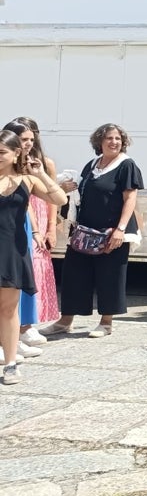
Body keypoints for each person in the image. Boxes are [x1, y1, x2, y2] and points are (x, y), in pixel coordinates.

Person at [43, 123, 143, 339]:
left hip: (112, 231)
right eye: (109, 138)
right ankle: (64, 321)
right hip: (85, 231)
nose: (114, 142)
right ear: (99, 141)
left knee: (110, 275)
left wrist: (120, 229)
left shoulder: (127, 165)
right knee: (74, 274)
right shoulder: (92, 164)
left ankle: (106, 322)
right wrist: (69, 188)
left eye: (117, 138)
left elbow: (130, 198)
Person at [0, 129, 68, 384]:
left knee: (8, 309)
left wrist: (40, 173)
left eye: (2, 152)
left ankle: (10, 363)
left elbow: (59, 197)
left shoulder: (27, 180)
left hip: (12, 250)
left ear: (17, 153)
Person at [5, 119, 61, 354]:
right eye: (23, 139)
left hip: (25, 225)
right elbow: (23, 203)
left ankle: (21, 331)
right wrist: (37, 229)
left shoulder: (37, 167)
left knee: (23, 281)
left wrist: (49, 227)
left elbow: (57, 199)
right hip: (19, 223)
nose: (28, 144)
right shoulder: (10, 170)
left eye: (31, 139)